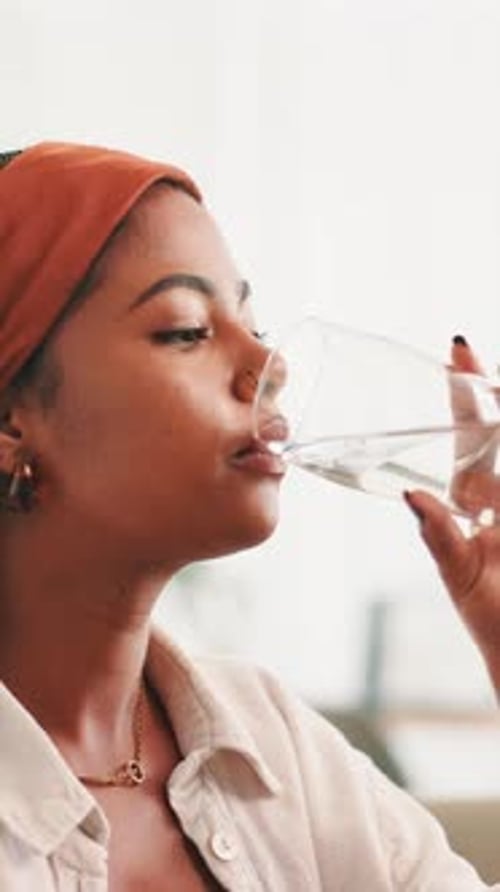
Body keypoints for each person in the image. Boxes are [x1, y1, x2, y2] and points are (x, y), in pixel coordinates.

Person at [0, 142, 498, 892]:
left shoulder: (271, 746)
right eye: (186, 330)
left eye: (254, 327)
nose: (271, 367)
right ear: (10, 423)